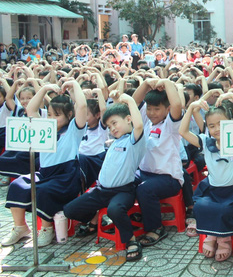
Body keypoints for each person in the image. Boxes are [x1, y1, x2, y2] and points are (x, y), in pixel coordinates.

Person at [178, 96, 233, 261]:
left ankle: (224, 240)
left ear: (231, 123)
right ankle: (211, 236)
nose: (217, 129)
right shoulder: (205, 142)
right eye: (212, 126)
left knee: (225, 210)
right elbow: (182, 132)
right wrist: (191, 108)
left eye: (221, 124)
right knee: (201, 207)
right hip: (213, 191)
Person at [2, 80, 87, 247]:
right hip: (45, 173)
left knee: (43, 191)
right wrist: (45, 88)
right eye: (49, 114)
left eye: (57, 115)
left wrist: (74, 84)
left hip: (66, 176)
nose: (52, 119)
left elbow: (82, 106)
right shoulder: (43, 126)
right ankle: (20, 227)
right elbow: (31, 109)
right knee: (17, 185)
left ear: (69, 115)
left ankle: (46, 229)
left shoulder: (74, 130)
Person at [64, 93, 147, 261]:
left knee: (114, 209)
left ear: (128, 119)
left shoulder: (133, 141)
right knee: (69, 210)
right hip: (101, 191)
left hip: (123, 191)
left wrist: (130, 100)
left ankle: (131, 241)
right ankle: (94, 221)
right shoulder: (114, 141)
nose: (112, 128)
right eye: (109, 126)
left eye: (114, 123)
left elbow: (139, 126)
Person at [131, 78, 184, 247]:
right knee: (124, 181)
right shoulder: (145, 122)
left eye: (157, 109)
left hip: (168, 178)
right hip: (145, 173)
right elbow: (134, 101)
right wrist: (147, 83)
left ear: (167, 109)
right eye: (150, 109)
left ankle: (156, 228)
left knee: (145, 189)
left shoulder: (171, 125)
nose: (152, 113)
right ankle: (133, 216)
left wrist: (166, 82)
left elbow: (177, 106)